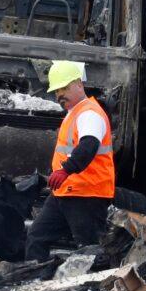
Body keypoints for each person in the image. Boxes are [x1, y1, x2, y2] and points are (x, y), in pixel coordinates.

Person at [25, 60, 115, 262]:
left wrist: (65, 170)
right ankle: (34, 285)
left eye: (64, 88)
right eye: (56, 91)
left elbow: (88, 146)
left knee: (90, 250)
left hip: (87, 194)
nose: (59, 95)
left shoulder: (90, 113)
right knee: (36, 236)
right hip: (66, 192)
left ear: (79, 84)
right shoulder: (74, 114)